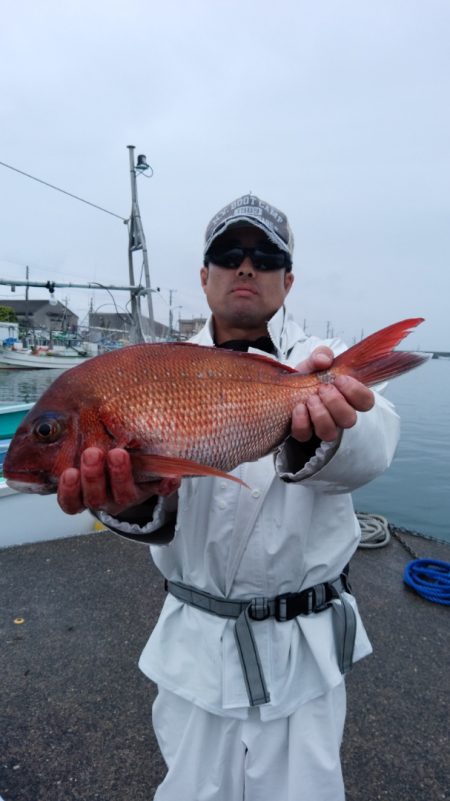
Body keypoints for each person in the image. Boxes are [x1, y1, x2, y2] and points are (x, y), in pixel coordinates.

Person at [57, 194, 400, 801]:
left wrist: (333, 420)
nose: (247, 266)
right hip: (197, 654)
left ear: (287, 280)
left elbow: (378, 443)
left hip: (306, 656)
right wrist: (130, 501)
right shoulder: (153, 365)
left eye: (266, 256)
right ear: (204, 275)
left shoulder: (315, 361)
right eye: (228, 253)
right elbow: (148, 502)